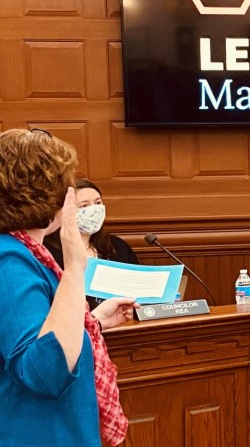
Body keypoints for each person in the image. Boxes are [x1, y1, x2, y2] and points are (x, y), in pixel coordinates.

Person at [0, 128, 138, 446]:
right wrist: (76, 266)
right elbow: (46, 371)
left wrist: (95, 321)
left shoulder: (28, 253)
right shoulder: (10, 261)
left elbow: (40, 330)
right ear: (44, 193)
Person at [45, 178, 139, 309]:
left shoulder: (117, 246)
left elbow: (137, 290)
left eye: (98, 203)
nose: (94, 210)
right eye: (84, 206)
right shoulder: (48, 251)